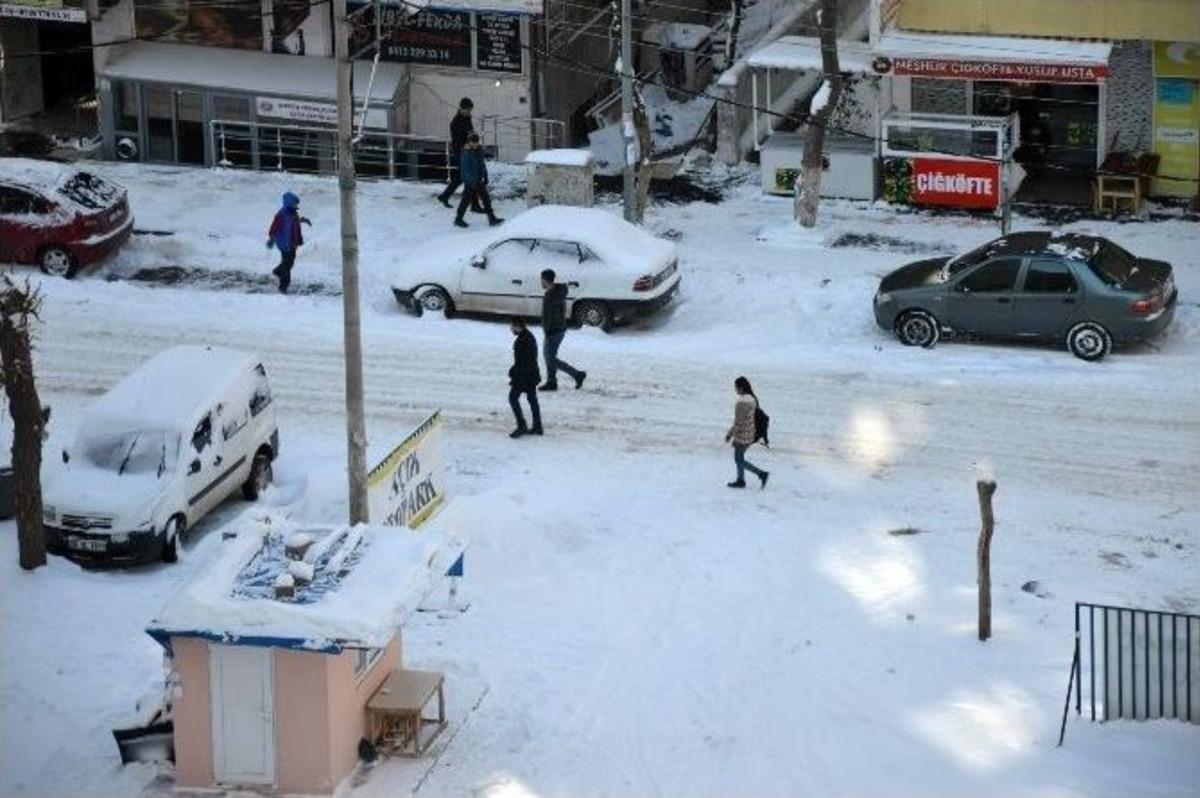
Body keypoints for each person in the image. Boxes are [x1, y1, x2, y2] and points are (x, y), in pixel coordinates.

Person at [539, 268, 586, 391]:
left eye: (542, 279)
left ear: (546, 280)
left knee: (550, 358)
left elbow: (550, 315)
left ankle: (577, 375)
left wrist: (548, 329)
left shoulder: (551, 296)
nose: (541, 282)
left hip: (553, 330)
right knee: (550, 356)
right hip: (558, 328)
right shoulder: (558, 292)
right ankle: (551, 382)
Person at [437, 98, 483, 213]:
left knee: (461, 177)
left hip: (467, 150)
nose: (469, 112)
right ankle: (474, 205)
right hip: (461, 152)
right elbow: (458, 140)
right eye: (467, 110)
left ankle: (444, 196)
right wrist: (467, 145)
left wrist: (474, 140)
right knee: (470, 176)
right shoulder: (456, 122)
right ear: (462, 108)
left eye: (470, 110)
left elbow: (470, 132)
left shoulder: (467, 118)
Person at [724, 376, 769, 489]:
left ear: (741, 388)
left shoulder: (741, 403)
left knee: (738, 460)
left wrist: (729, 434)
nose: (735, 390)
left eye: (736, 387)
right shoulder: (753, 399)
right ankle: (741, 480)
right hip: (751, 433)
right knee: (740, 457)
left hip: (742, 435)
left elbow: (738, 422)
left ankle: (761, 474)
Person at [266, 191, 310, 294]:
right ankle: (283, 287)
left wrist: (303, 220)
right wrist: (271, 240)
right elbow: (273, 229)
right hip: (285, 244)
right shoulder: (281, 215)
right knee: (287, 265)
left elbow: (293, 220)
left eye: (297, 203)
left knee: (289, 262)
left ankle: (277, 271)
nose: (296, 205)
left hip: (293, 243)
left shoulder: (292, 211)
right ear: (289, 202)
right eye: (295, 203)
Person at [456, 133, 502, 228]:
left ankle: (492, 218)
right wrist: (471, 182)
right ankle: (458, 219)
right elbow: (465, 169)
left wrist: (485, 176)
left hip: (478, 179)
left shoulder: (479, 150)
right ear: (469, 142)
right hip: (470, 181)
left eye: (477, 142)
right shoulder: (466, 153)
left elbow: (482, 164)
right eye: (473, 142)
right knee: (465, 200)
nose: (475, 144)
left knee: (486, 199)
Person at [508, 318, 542, 438]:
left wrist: (515, 374)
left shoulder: (523, 340)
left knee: (513, 398)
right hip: (531, 374)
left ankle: (521, 425)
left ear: (518, 327)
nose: (511, 329)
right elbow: (525, 359)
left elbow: (523, 361)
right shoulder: (528, 336)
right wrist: (514, 369)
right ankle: (538, 426)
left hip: (524, 376)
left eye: (512, 327)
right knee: (532, 399)